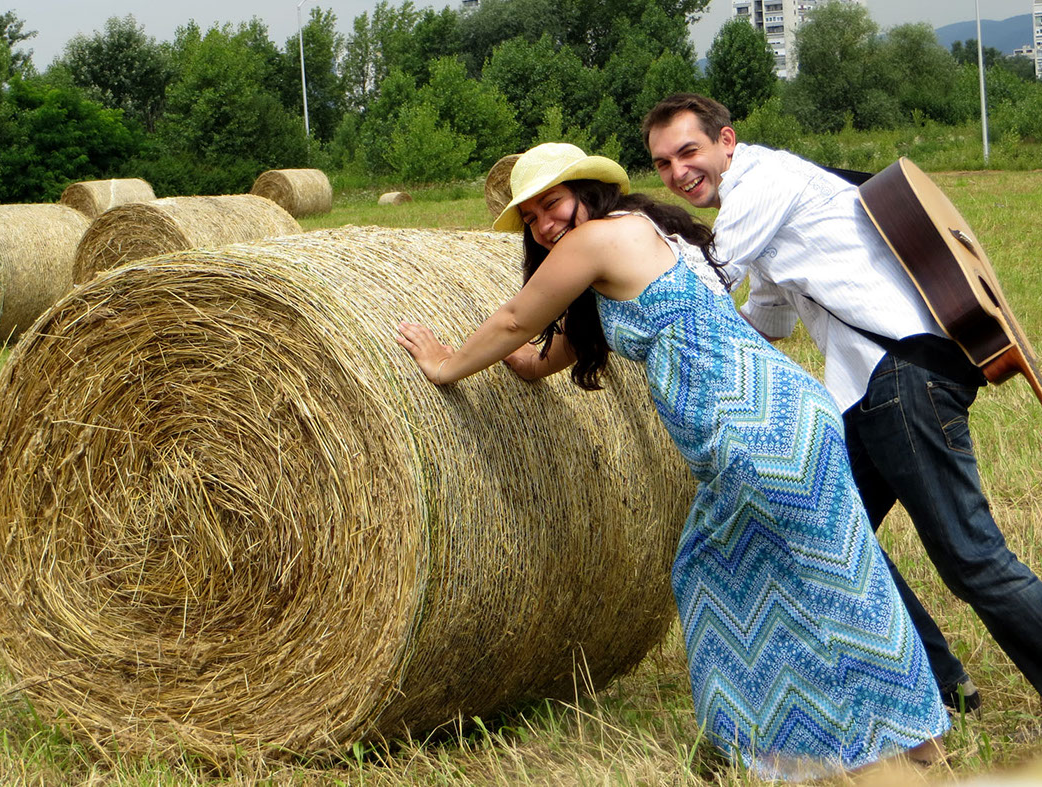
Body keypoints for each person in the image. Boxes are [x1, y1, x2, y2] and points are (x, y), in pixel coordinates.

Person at [394, 142, 948, 780]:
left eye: (553, 204)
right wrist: (506, 360)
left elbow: (518, 318)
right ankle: (862, 737)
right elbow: (541, 353)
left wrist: (445, 362)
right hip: (784, 413)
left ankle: (791, 743)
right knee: (828, 575)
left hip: (750, 429)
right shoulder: (639, 236)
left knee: (746, 575)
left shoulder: (594, 239)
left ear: (586, 192)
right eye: (532, 218)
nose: (545, 225)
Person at [642, 93, 1042, 727]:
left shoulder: (761, 182)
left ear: (726, 140)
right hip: (867, 391)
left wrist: (622, 280)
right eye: (663, 164)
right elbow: (769, 318)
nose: (678, 172)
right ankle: (939, 684)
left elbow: (705, 276)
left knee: (971, 557)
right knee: (832, 532)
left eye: (688, 152)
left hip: (904, 378)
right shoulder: (766, 205)